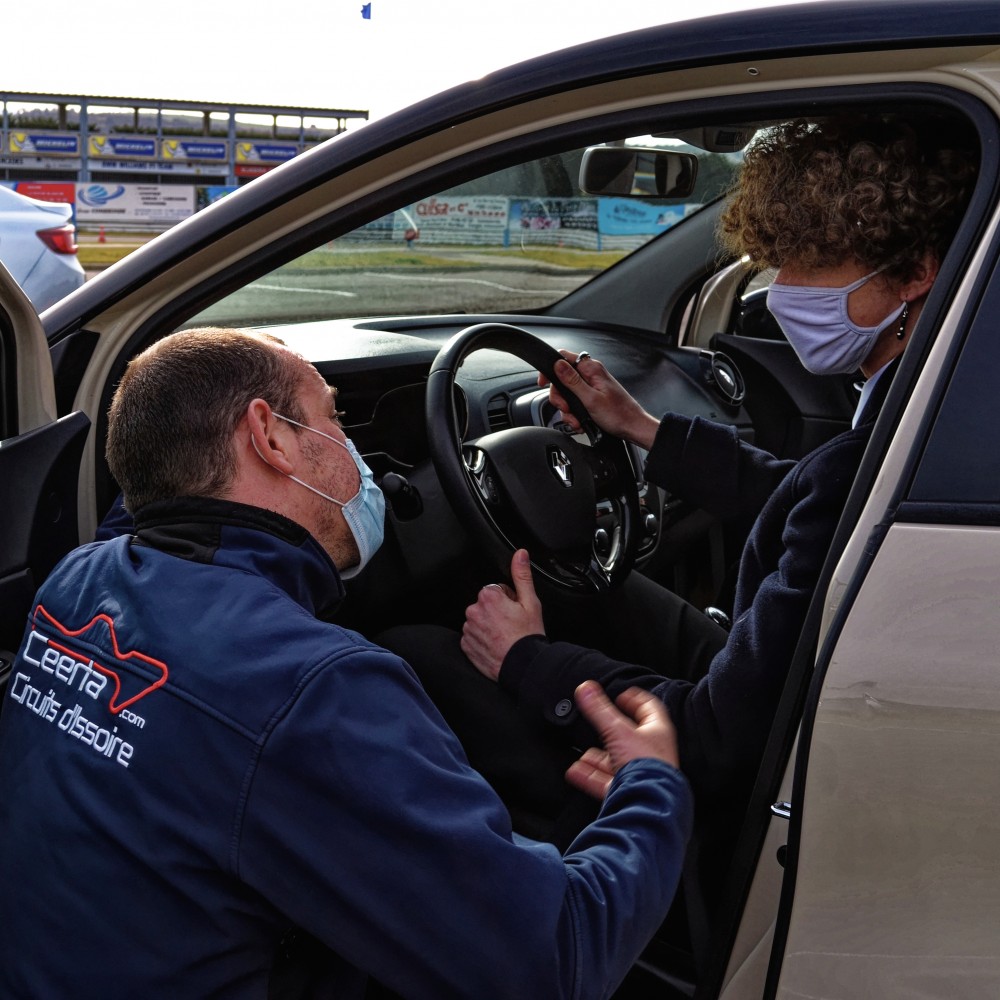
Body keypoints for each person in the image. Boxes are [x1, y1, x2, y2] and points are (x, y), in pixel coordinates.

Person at [379, 111, 979, 904]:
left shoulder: (894, 434)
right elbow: (803, 500)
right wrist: (641, 429)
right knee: (579, 589)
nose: (780, 292)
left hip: (733, 755)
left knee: (419, 655)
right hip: (771, 677)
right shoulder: (918, 397)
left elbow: (715, 738)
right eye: (779, 262)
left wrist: (528, 662)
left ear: (916, 273)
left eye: (810, 264)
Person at [0, 327, 693, 998]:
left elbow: (157, 496)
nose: (357, 454)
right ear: (270, 437)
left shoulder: (77, 582)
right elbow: (555, 962)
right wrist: (651, 787)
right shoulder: (309, 687)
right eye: (334, 417)